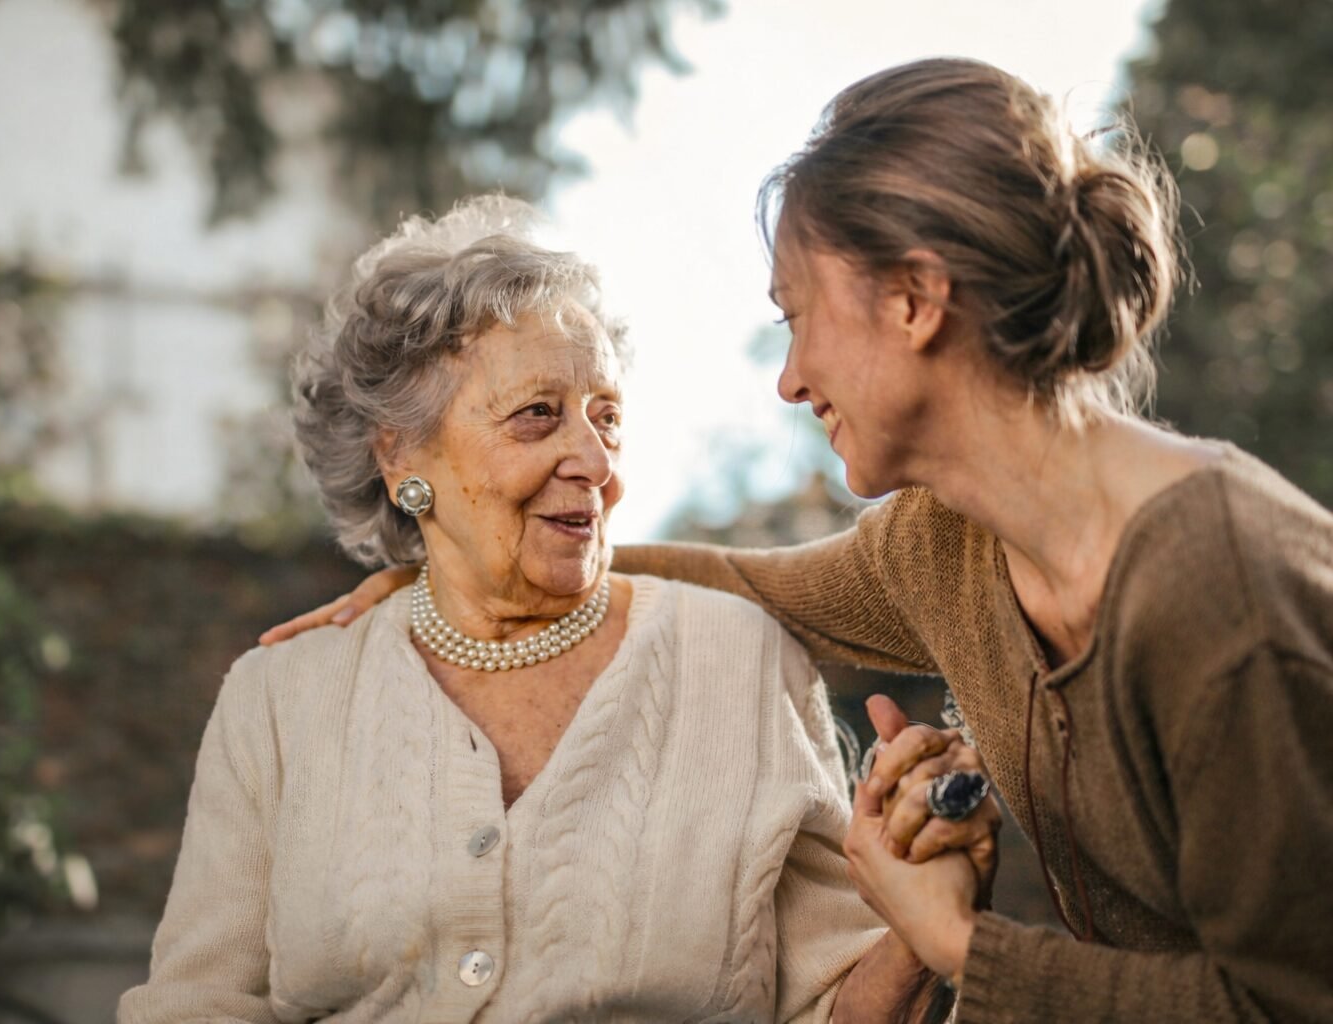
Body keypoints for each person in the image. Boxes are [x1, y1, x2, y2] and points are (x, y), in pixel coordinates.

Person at [260, 60, 1333, 1023]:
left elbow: (1288, 1002)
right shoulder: (947, 547)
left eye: (797, 317)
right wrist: (452, 561)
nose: (789, 380)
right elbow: (740, 583)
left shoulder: (1216, 588)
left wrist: (956, 941)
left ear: (914, 301)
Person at [120, 196, 993, 1023]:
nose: (593, 459)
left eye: (606, 418)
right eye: (538, 415)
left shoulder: (741, 660)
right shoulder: (280, 701)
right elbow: (199, 1003)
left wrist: (922, 924)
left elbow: (832, 1007)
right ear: (401, 458)